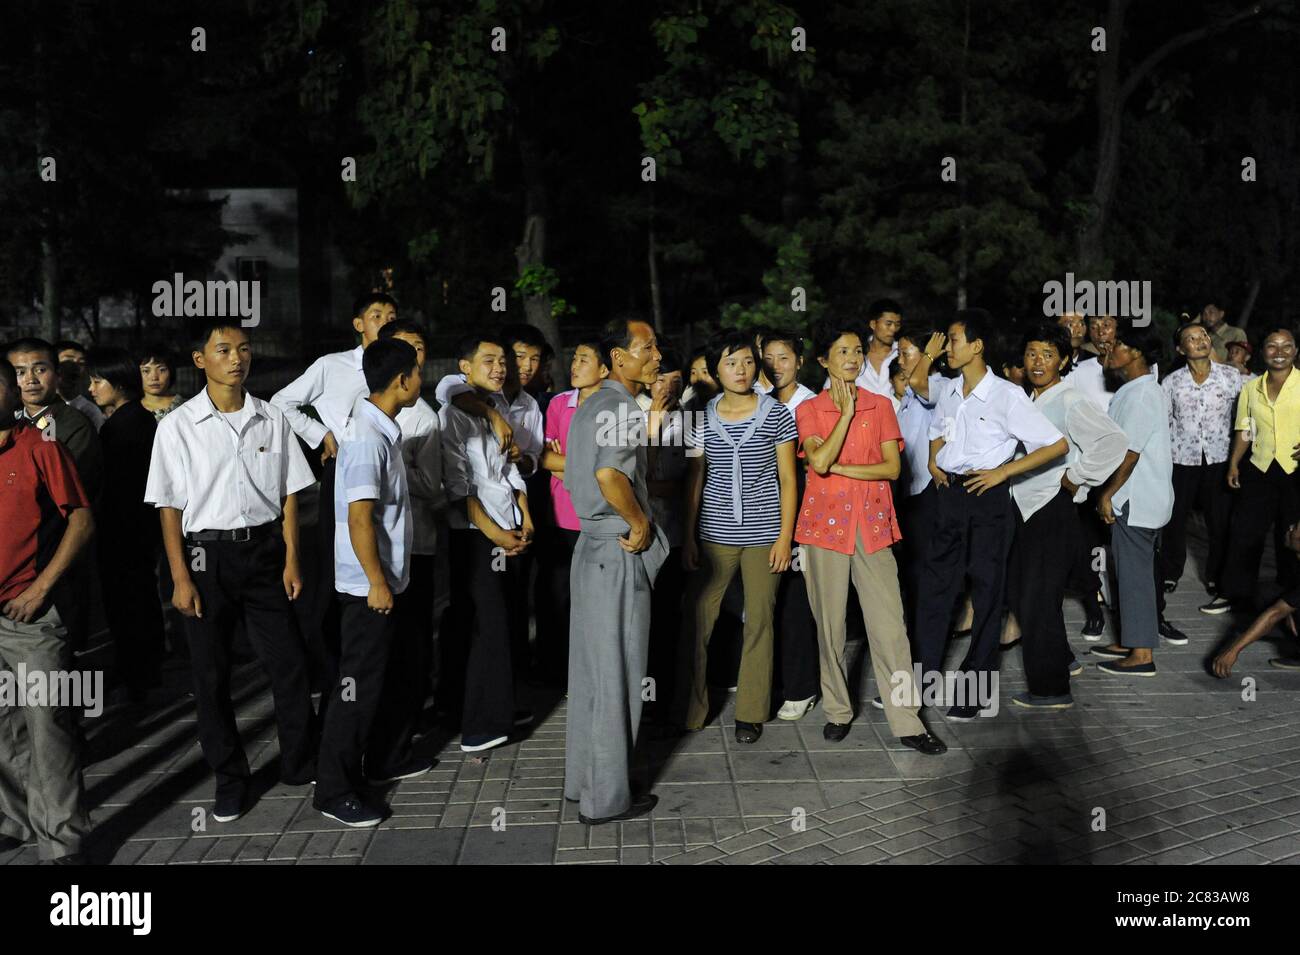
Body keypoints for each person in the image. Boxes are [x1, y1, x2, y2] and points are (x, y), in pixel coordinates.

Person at [145, 319, 318, 824]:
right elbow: (169, 508)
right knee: (211, 674)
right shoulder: (178, 426)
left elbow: (289, 494)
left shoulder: (271, 418)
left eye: (243, 349)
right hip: (205, 560)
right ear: (201, 360)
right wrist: (179, 578)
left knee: (288, 663)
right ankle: (230, 779)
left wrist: (291, 558)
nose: (236, 358)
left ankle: (298, 761)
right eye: (223, 350)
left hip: (265, 554)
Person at [795, 321, 946, 752]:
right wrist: (844, 415)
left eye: (858, 351)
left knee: (891, 627)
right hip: (824, 529)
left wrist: (840, 468)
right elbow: (818, 457)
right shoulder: (810, 409)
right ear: (824, 360)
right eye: (842, 352)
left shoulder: (881, 406)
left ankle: (908, 722)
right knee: (830, 627)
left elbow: (892, 469)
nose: (852, 359)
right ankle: (838, 711)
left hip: (873, 526)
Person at [918, 309, 1067, 719]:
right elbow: (937, 432)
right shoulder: (948, 390)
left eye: (953, 339)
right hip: (948, 495)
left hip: (987, 500)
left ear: (976, 346)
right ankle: (921, 684)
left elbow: (1056, 445)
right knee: (934, 593)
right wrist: (935, 462)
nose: (948, 347)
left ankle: (974, 691)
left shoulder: (1007, 395)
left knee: (987, 596)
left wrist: (1003, 472)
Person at [314, 338, 425, 826]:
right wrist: (377, 582)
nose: (421, 380)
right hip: (367, 588)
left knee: (377, 682)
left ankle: (374, 766)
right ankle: (334, 789)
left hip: (383, 581)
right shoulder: (366, 438)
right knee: (355, 687)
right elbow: (360, 517)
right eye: (417, 372)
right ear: (401, 380)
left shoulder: (380, 429)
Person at [563, 314, 670, 825]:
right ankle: (605, 800)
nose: (657, 356)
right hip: (616, 547)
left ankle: (582, 782)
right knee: (619, 675)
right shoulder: (622, 407)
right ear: (620, 359)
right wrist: (639, 522)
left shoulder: (593, 403)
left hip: (589, 549)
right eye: (647, 349)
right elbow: (609, 474)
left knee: (589, 673)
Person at [675, 330, 797, 743]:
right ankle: (692, 709)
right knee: (698, 619)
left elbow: (787, 479)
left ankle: (750, 711)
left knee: (760, 621)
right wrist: (689, 537)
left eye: (747, 361)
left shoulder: (777, 414)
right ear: (715, 371)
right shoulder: (700, 418)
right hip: (714, 535)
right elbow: (695, 480)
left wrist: (785, 538)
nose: (741, 370)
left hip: (765, 535)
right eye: (731, 363)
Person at [272, 292, 397, 693]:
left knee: (383, 561)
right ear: (358, 324)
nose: (383, 321)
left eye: (390, 316)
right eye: (375, 315)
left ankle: (376, 658)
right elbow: (282, 402)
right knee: (335, 569)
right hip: (343, 476)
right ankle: (328, 667)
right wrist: (320, 433)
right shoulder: (332, 366)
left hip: (386, 480)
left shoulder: (401, 367)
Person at [0, 358, 95, 864]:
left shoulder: (41, 447)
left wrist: (40, 590)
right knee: (4, 727)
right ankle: (13, 820)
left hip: (31, 617)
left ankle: (63, 843)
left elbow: (81, 522)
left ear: (9, 389)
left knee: (49, 727)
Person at [1006, 324, 1127, 709]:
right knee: (1032, 596)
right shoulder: (1029, 398)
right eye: (1031, 353)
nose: (1038, 362)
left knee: (1037, 599)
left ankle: (1050, 689)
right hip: (1026, 508)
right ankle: (1063, 660)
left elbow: (1113, 441)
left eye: (1047, 354)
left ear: (1063, 360)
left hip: (1051, 507)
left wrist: (1076, 478)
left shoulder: (1069, 398)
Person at [439, 333, 534, 753]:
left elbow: (510, 472)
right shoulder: (453, 412)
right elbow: (458, 486)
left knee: (507, 624)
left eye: (503, 361)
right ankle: (479, 726)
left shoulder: (494, 407)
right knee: (486, 627)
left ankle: (502, 707)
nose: (500, 368)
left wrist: (525, 518)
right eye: (489, 361)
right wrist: (497, 535)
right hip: (478, 536)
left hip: (508, 526)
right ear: (465, 367)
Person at [5, 338, 103, 654]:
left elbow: (68, 505)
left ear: (57, 374)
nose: (30, 379)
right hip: (16, 567)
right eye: (20, 372)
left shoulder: (73, 424)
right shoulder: (12, 426)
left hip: (55, 560)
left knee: (59, 655)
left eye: (40, 369)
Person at [1090, 322, 1175, 676]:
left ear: (1136, 353)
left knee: (1136, 575)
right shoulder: (1135, 389)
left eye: (1118, 343)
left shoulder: (1141, 393)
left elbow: (1130, 452)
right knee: (1126, 573)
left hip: (1137, 499)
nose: (1109, 348)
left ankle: (1141, 655)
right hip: (1139, 496)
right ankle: (1131, 639)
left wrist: (1107, 493)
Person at [376, 320, 444, 745]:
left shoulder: (425, 415)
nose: (414, 357)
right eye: (404, 348)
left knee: (415, 638)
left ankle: (410, 721)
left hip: (415, 543)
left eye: (418, 348)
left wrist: (395, 469)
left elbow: (433, 485)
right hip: (373, 552)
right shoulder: (365, 410)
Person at [85, 347, 165, 703]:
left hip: (125, 530)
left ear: (118, 383)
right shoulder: (131, 420)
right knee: (136, 597)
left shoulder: (126, 426)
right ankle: (140, 665)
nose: (92, 388)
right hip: (133, 529)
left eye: (98, 380)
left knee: (129, 600)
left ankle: (139, 670)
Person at [1206, 326, 1300, 614]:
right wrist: (1234, 462)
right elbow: (1245, 429)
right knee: (1245, 532)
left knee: (1292, 536)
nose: (1280, 352)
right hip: (1259, 467)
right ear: (1262, 353)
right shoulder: (1251, 387)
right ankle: (1235, 593)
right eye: (1272, 346)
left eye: (1286, 346)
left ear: (1296, 351)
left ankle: (1290, 597)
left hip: (1296, 471)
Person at [539, 340, 609, 687]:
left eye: (584, 359)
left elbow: (610, 469)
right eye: (575, 358)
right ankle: (557, 675)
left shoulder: (614, 408)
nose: (575, 365)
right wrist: (587, 468)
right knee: (559, 598)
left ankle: (592, 672)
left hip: (599, 517)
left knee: (595, 602)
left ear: (604, 369)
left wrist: (569, 467)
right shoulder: (557, 403)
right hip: (561, 516)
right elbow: (545, 458)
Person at [1159, 323, 1242, 597]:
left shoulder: (1231, 377)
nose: (1200, 341)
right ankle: (1170, 572)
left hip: (1219, 459)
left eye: (1204, 336)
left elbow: (1243, 418)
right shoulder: (1171, 382)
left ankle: (1216, 576)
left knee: (1219, 521)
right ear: (1181, 349)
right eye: (1191, 338)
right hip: (1181, 459)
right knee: (1175, 519)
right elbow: (1164, 423)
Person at [762, 330, 820, 719]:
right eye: (768, 358)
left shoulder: (813, 404)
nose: (775, 366)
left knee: (799, 602)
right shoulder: (759, 403)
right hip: (766, 516)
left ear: (799, 361)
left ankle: (802, 687)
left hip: (806, 515)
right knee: (769, 602)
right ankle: (775, 681)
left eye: (784, 358)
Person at [889, 327, 948, 635]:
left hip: (929, 492)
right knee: (912, 568)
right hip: (909, 492)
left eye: (905, 352)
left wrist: (928, 355)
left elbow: (917, 380)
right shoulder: (910, 394)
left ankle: (925, 637)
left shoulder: (942, 385)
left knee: (926, 569)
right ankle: (916, 634)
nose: (899, 360)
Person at [644, 348, 688, 716]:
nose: (667, 387)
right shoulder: (633, 414)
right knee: (641, 618)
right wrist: (655, 422)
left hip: (675, 535)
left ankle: (666, 702)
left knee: (669, 619)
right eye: (661, 379)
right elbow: (639, 474)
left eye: (676, 381)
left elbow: (692, 480)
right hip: (643, 535)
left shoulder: (692, 421)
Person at [1211, 522, 1300, 676]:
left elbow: (1274, 613)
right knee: (1265, 593)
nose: (1289, 528)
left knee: (1278, 608)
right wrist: (1291, 611)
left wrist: (1233, 651)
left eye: (1294, 528)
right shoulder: (1295, 560)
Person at [822, 298, 902, 401]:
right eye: (888, 324)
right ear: (873, 324)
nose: (893, 329)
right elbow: (832, 384)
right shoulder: (854, 353)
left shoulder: (903, 354)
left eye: (897, 324)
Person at [54, 340, 106, 430]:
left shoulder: (89, 411)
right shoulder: (34, 404)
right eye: (68, 360)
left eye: (81, 363)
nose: (75, 367)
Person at [139, 344, 186, 420]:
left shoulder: (186, 406)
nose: (154, 377)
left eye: (162, 370)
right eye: (146, 371)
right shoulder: (130, 410)